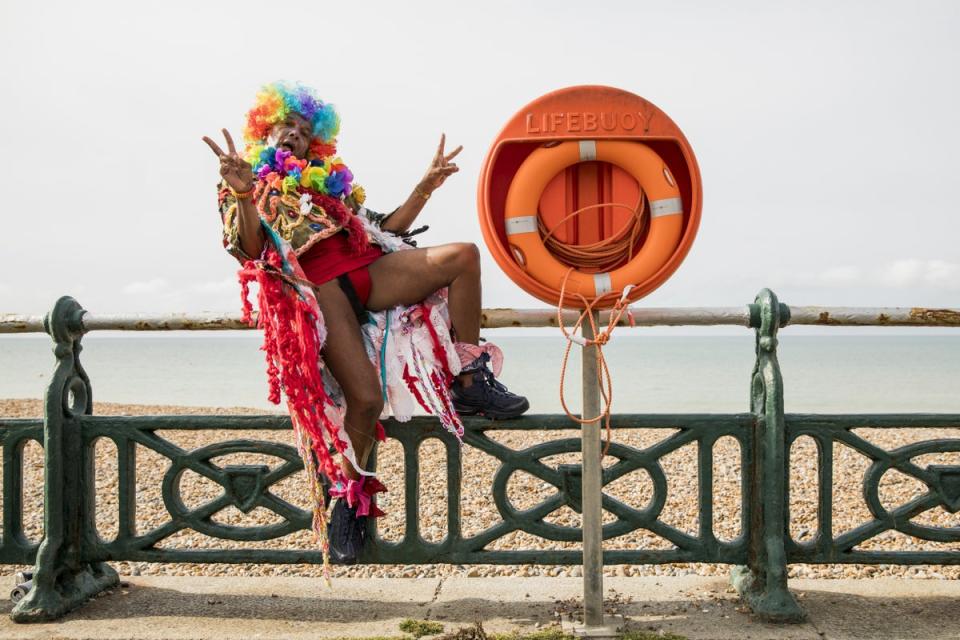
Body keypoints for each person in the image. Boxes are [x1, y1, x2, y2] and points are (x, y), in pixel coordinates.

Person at [203, 82, 528, 567]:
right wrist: (246, 192)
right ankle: (347, 504)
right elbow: (250, 249)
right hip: (319, 285)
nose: (293, 134)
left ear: (315, 140)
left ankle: (468, 379)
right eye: (284, 127)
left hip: (368, 268)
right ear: (264, 132)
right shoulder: (245, 181)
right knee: (367, 398)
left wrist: (425, 186)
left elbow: (387, 230)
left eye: (303, 129)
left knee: (463, 257)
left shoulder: (328, 182)